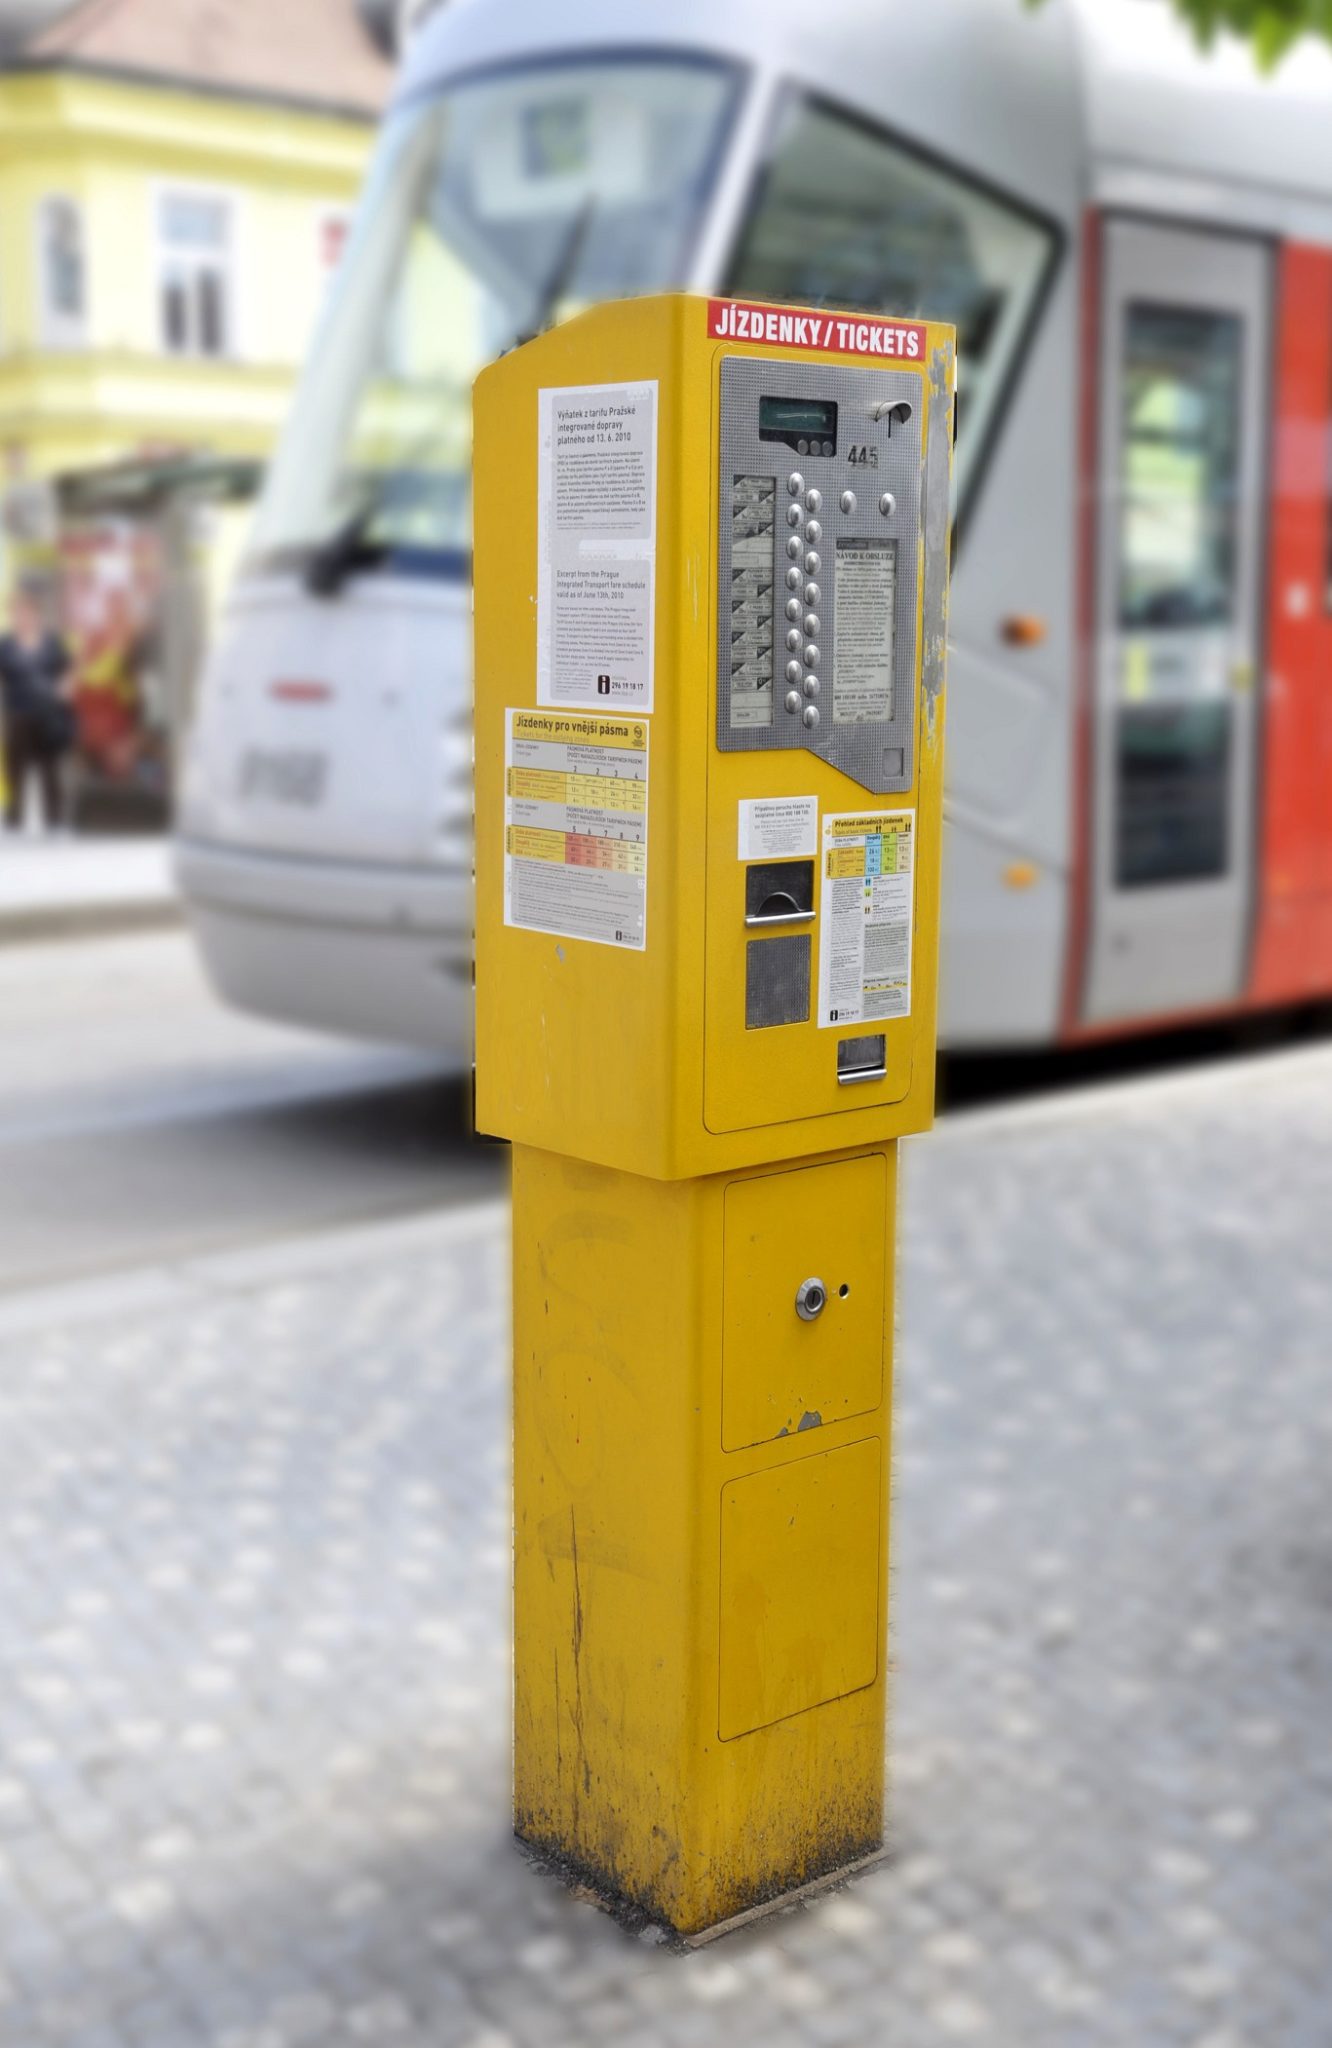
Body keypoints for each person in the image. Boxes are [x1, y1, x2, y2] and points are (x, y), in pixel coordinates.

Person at [0, 587, 75, 831]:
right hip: (17, 713)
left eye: (26, 612)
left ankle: (54, 817)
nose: (21, 617)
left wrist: (65, 687)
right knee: (15, 767)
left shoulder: (52, 642)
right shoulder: (6, 645)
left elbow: (69, 669)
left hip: (48, 713)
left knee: (50, 767)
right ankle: (14, 816)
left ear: (36, 615)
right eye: (16, 612)